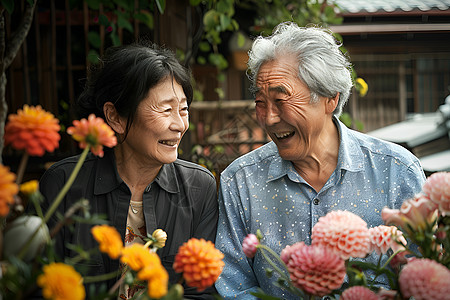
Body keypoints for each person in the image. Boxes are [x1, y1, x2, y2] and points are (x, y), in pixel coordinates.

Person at [214, 22, 426, 299]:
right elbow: (234, 286)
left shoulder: (396, 172)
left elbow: (423, 275)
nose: (269, 118)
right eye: (260, 103)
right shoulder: (240, 181)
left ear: (329, 99)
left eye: (281, 100)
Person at [38, 41, 218, 299]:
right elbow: (41, 285)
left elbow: (199, 292)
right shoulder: (64, 184)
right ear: (116, 117)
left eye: (183, 110)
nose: (179, 125)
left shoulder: (199, 188)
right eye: (166, 110)